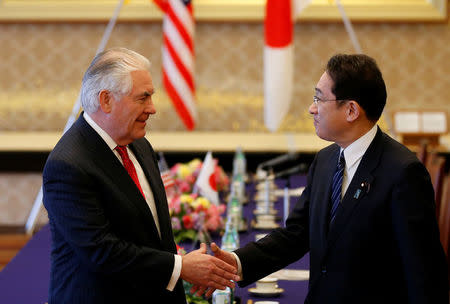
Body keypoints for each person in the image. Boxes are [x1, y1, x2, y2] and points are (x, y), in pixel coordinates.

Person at [209, 54, 449, 303]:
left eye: (319, 99)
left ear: (351, 110)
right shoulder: (325, 160)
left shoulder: (403, 173)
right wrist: (237, 262)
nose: (311, 108)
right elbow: (297, 234)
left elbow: (424, 274)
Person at [42, 47, 239, 303]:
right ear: (106, 100)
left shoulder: (138, 144)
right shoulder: (68, 165)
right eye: (143, 98)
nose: (152, 108)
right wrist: (181, 267)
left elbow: (153, 234)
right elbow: (101, 251)